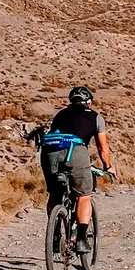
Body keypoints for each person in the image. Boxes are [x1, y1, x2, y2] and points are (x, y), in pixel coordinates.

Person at [40, 86, 114, 254]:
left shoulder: (60, 114)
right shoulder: (95, 117)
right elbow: (103, 148)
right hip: (76, 152)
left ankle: (55, 234)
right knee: (83, 196)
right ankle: (80, 240)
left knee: (54, 193)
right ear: (89, 102)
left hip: (49, 153)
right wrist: (108, 167)